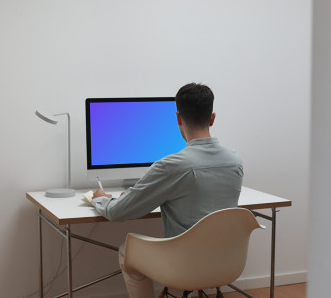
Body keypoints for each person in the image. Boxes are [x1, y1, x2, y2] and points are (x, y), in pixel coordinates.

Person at [91, 83, 243, 298]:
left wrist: (101, 199)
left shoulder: (171, 166)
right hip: (226, 262)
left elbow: (117, 213)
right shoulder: (235, 161)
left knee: (128, 250)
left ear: (178, 118)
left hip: (184, 265)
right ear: (212, 118)